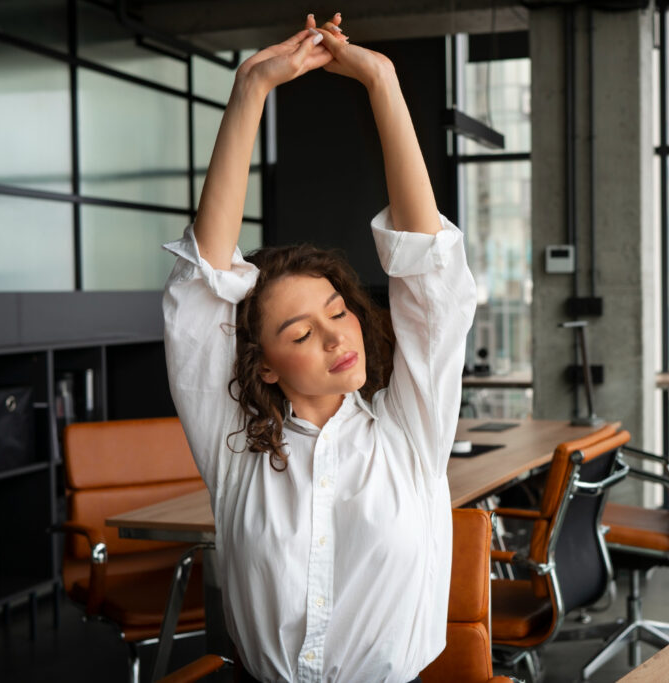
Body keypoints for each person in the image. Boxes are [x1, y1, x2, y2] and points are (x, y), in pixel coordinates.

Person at [161, 13, 477, 683]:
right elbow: (200, 290)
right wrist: (250, 88)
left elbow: (433, 281)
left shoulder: (409, 434)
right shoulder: (235, 450)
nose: (335, 334)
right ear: (265, 365)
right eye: (300, 332)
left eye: (339, 311)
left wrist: (382, 82)